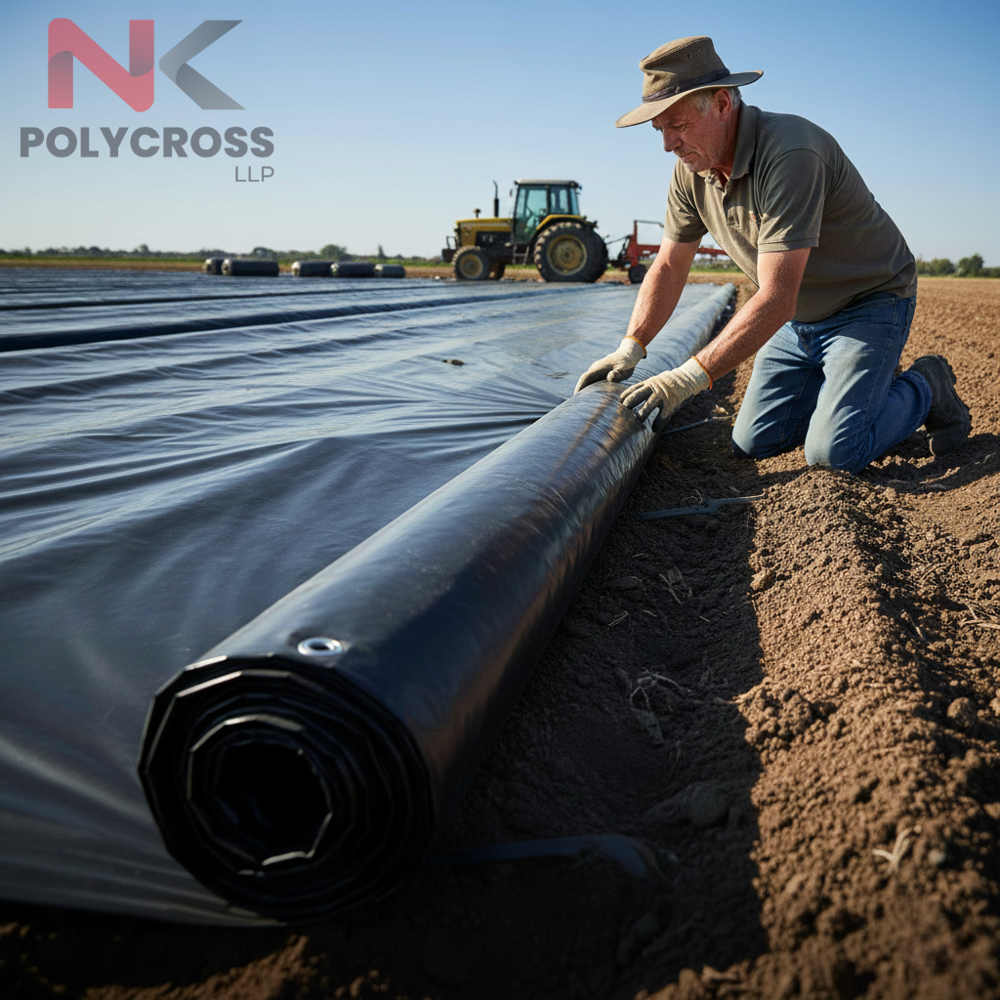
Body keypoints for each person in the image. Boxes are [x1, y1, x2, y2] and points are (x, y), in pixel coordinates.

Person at [575, 36, 971, 471]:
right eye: (660, 130)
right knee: (754, 443)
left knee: (834, 454)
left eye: (679, 124)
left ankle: (925, 386)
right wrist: (632, 346)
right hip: (799, 318)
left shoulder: (790, 153)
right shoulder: (692, 170)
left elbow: (777, 296)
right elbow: (669, 265)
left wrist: (684, 379)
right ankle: (849, 390)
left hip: (867, 303)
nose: (668, 144)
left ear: (723, 103)